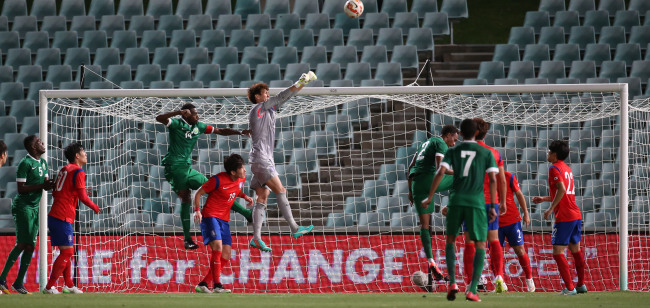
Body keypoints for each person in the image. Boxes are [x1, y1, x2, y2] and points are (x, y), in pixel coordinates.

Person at [156, 103, 253, 250]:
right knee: (186, 197)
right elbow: (159, 118)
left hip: (187, 167)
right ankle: (187, 239)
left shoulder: (199, 126)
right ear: (186, 114)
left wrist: (239, 132)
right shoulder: (176, 124)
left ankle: (247, 214)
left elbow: (220, 130)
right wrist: (177, 112)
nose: (198, 116)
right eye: (195, 114)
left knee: (217, 188)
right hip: (174, 167)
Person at [422, 118, 498, 302]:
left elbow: (440, 172)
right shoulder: (485, 152)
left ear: (461, 134)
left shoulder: (453, 150)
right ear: (477, 133)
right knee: (480, 243)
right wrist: (494, 206)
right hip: (476, 202)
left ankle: (453, 283)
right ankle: (472, 289)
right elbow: (494, 180)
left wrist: (430, 196)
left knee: (450, 241)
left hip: (455, 201)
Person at [247, 72, 318, 252]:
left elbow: (284, 98)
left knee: (262, 197)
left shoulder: (268, 110)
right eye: (265, 93)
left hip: (260, 159)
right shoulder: (259, 108)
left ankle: (256, 238)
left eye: (268, 93)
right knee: (281, 190)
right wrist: (299, 82)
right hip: (262, 159)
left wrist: (303, 84)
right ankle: (294, 228)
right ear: (257, 97)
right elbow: (283, 96)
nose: (268, 95)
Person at [43, 143, 100, 294]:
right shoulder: (79, 171)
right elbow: (83, 197)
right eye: (83, 152)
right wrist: (95, 206)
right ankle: (49, 287)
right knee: (67, 253)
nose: (86, 154)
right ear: (77, 155)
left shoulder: (64, 169)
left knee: (66, 251)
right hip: (63, 216)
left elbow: (57, 192)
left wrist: (74, 192)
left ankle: (68, 284)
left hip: (55, 215)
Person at [0, 136, 54, 294]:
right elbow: (21, 188)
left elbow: (45, 186)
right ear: (32, 147)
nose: (43, 144)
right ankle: (3, 279)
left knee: (30, 245)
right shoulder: (25, 163)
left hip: (34, 207)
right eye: (39, 142)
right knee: (23, 243)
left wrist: (54, 185)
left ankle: (18, 283)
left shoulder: (43, 163)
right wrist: (42, 185)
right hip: (23, 206)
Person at [193, 154, 253, 294]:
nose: (245, 170)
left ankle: (203, 283)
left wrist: (245, 196)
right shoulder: (217, 180)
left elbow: (235, 190)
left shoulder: (241, 178)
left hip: (224, 219)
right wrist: (197, 211)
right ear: (233, 172)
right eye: (242, 168)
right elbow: (198, 193)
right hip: (210, 216)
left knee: (226, 253)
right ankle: (217, 285)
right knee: (218, 246)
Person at [532, 140, 586, 295]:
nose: (548, 154)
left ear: (555, 155)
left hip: (565, 216)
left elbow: (561, 190)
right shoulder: (566, 168)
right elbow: (564, 194)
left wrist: (550, 209)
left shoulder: (554, 168)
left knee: (557, 251)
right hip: (575, 214)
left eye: (549, 152)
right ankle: (581, 285)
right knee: (575, 250)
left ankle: (570, 288)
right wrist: (544, 199)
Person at [407, 124, 459, 283]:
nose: (454, 143)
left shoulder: (424, 143)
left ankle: (430, 261)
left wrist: (410, 192)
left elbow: (410, 167)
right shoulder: (440, 143)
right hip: (429, 179)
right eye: (454, 139)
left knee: (424, 225)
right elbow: (439, 168)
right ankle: (452, 209)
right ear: (448, 135)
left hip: (416, 184)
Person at [469, 118, 508, 293]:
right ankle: (499, 276)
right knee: (494, 240)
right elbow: (502, 180)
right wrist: (503, 201)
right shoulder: (494, 153)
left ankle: (474, 282)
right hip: (491, 203)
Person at [497, 170, 535, 292]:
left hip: (512, 221)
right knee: (495, 253)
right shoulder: (483, 178)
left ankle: (529, 278)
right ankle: (500, 283)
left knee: (520, 250)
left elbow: (519, 194)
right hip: (494, 223)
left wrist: (526, 213)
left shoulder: (508, 176)